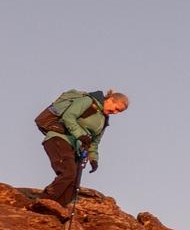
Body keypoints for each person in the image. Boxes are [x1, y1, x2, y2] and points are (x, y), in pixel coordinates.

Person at [31, 89, 129, 217]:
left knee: (73, 185)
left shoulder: (104, 120)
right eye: (116, 109)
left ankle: (54, 212)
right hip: (59, 137)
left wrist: (94, 159)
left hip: (75, 147)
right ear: (110, 100)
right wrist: (80, 134)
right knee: (68, 173)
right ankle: (41, 204)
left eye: (119, 112)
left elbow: (94, 142)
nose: (115, 113)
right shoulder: (88, 101)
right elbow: (68, 116)